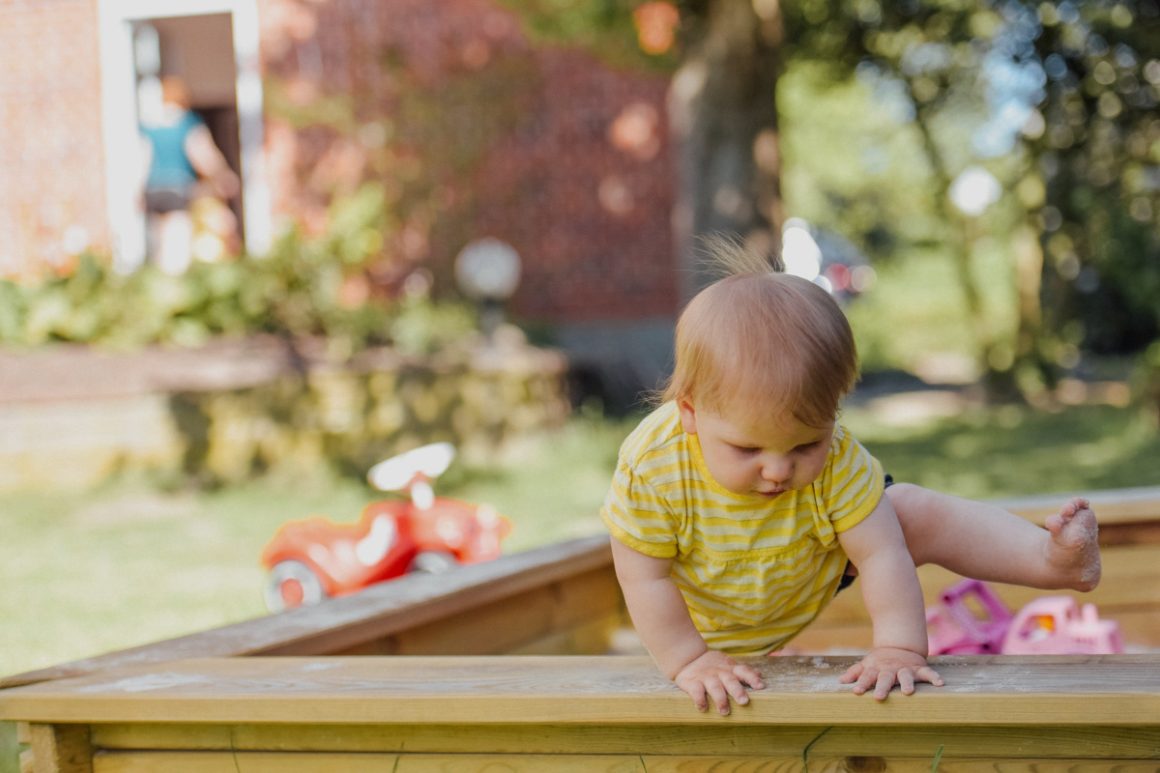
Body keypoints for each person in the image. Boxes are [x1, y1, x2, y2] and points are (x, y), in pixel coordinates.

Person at [600, 238, 1102, 715]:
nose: (778, 470)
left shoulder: (839, 458)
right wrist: (689, 659)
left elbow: (881, 554)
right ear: (689, 412)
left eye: (805, 445)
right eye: (747, 448)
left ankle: (1051, 561)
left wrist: (899, 648)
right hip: (702, 610)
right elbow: (643, 576)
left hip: (803, 565)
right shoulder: (655, 468)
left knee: (908, 511)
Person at [139, 76, 239, 274]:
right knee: (177, 239)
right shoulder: (186, 123)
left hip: (153, 187)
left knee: (158, 239)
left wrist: (138, 190)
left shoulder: (150, 126)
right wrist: (221, 175)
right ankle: (175, 282)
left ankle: (159, 278)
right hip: (177, 185)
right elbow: (202, 153)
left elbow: (143, 159)